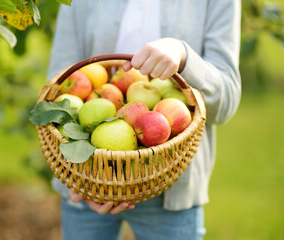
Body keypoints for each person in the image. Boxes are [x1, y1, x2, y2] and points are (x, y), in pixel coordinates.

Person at [47, 0, 241, 239]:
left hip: (171, 186)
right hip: (87, 176)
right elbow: (57, 87)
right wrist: (80, 178)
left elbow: (227, 101)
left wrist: (183, 56)